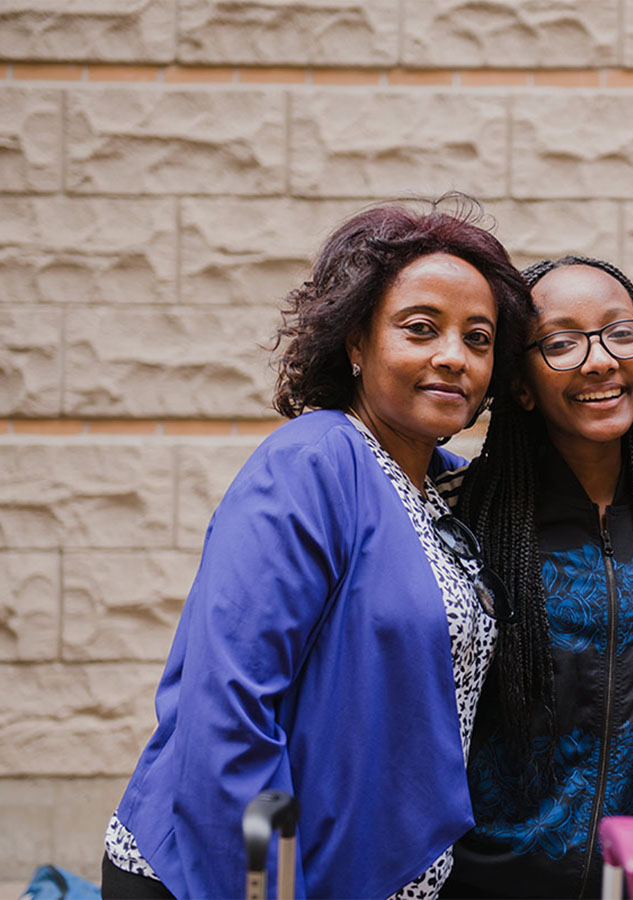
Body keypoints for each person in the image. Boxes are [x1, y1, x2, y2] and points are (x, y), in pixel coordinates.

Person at [101, 198, 533, 900]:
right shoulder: (315, 463)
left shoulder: (442, 489)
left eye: (478, 339)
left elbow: (562, 482)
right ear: (356, 343)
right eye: (421, 329)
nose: (454, 357)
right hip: (234, 878)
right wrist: (266, 887)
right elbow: (230, 711)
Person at [439, 257, 633, 898]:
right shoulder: (465, 517)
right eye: (561, 343)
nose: (599, 361)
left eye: (621, 332)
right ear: (522, 385)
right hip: (488, 884)